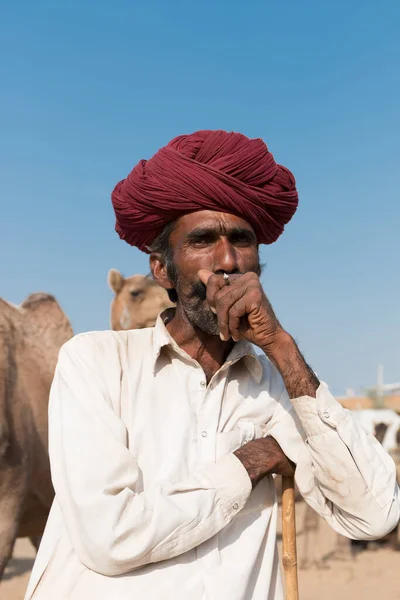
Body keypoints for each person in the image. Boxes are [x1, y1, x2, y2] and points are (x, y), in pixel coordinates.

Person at [25, 130, 399, 600]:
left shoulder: (275, 389)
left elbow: (375, 513)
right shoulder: (96, 363)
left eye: (241, 241)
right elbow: (110, 538)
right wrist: (251, 461)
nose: (226, 261)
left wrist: (282, 347)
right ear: (162, 270)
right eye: (203, 241)